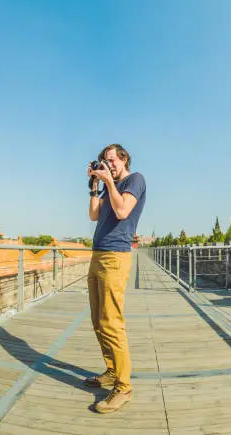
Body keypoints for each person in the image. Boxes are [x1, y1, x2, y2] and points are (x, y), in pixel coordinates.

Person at [84, 143, 146, 414]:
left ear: (124, 158)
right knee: (98, 320)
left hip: (115, 257)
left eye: (111, 160)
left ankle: (123, 387)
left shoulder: (135, 180)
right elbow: (93, 215)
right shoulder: (108, 184)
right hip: (97, 255)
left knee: (112, 322)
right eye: (104, 162)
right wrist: (95, 186)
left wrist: (109, 182)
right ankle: (111, 371)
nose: (108, 164)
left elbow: (122, 212)